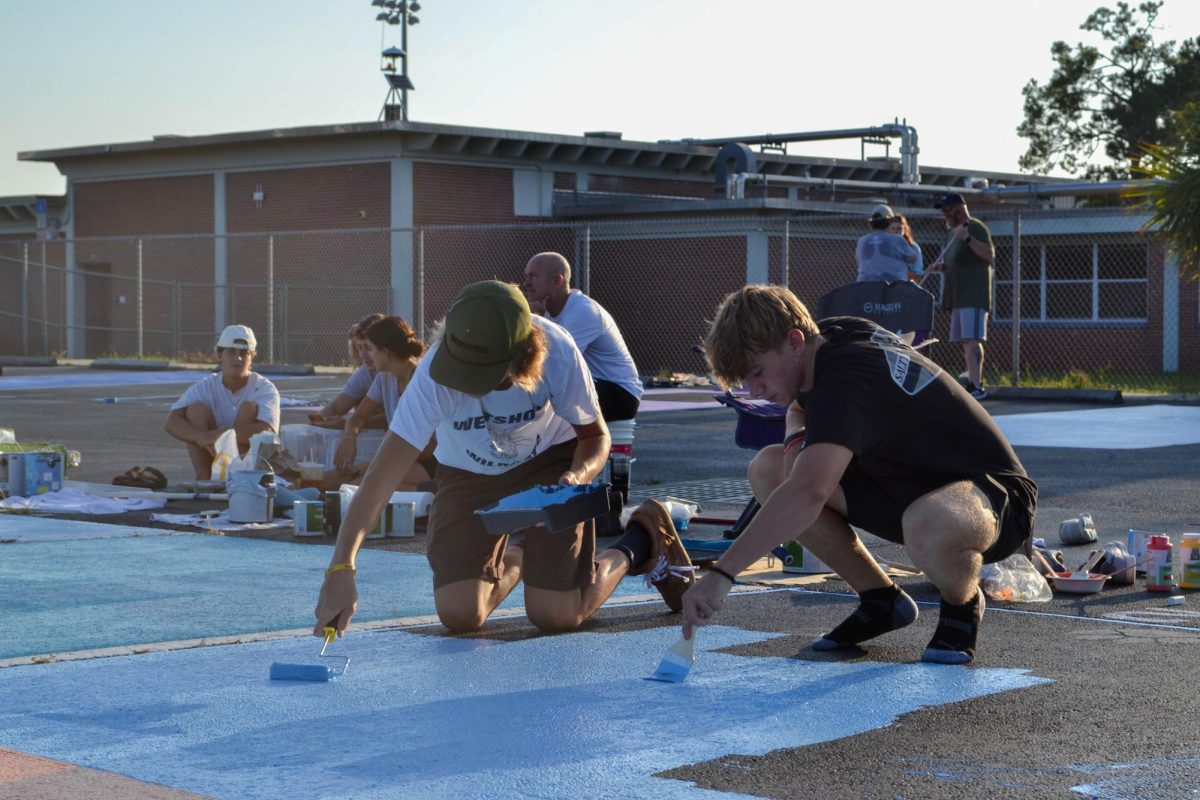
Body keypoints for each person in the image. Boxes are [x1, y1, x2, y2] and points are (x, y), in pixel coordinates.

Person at [313, 281, 693, 637]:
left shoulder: (558, 352)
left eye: (488, 376)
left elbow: (596, 437)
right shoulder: (432, 376)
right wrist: (341, 567)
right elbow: (381, 477)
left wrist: (578, 476)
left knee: (556, 616)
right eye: (464, 372)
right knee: (460, 615)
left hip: (550, 465)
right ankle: (528, 551)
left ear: (525, 354)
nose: (472, 385)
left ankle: (641, 539)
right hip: (467, 472)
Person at [681, 285, 1037, 664]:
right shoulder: (829, 340)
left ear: (795, 341)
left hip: (995, 498)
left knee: (919, 521)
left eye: (756, 373)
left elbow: (809, 491)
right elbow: (798, 417)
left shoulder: (847, 377)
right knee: (769, 470)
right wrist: (793, 441)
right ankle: (881, 599)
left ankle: (962, 604)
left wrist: (722, 575)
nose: (755, 390)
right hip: (913, 484)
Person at [521, 252, 642, 422]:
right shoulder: (546, 311)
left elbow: (554, 362)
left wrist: (537, 320)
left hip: (620, 395)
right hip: (596, 386)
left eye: (533, 277)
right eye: (526, 276)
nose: (526, 284)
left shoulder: (583, 312)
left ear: (557, 281)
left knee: (547, 390)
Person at [165, 325, 281, 479]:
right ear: (220, 354)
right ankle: (204, 476)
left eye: (244, 353)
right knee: (195, 410)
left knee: (248, 408)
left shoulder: (265, 388)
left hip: (248, 464)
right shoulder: (205, 386)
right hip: (210, 453)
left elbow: (267, 431)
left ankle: (236, 476)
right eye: (231, 352)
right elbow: (172, 421)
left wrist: (222, 436)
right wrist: (201, 437)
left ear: (252, 357)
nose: (237, 358)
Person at [330, 315, 432, 491]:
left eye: (369, 348)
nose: (365, 355)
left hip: (430, 462)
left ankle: (430, 493)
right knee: (331, 481)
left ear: (386, 351)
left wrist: (378, 463)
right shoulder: (383, 377)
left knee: (360, 487)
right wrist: (350, 436)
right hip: (397, 457)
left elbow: (429, 447)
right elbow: (360, 416)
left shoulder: (422, 381)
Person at [927, 193, 995, 401]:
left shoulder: (973, 228)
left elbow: (988, 255)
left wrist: (967, 237)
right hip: (958, 296)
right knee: (966, 341)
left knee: (973, 340)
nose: (945, 214)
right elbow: (960, 262)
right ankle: (971, 380)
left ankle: (977, 385)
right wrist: (942, 267)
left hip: (973, 295)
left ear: (958, 209)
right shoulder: (953, 233)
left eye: (947, 210)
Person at [309, 313, 385, 430]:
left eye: (368, 347)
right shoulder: (368, 373)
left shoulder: (410, 374)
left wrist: (348, 426)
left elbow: (397, 419)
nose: (362, 355)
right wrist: (316, 424)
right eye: (359, 348)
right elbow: (336, 407)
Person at [855, 205, 918, 283]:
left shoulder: (862, 241)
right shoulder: (897, 239)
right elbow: (913, 258)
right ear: (889, 222)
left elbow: (859, 261)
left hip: (865, 284)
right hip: (893, 286)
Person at [888, 214, 925, 282]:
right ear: (889, 230)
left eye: (899, 229)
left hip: (906, 286)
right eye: (893, 229)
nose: (896, 232)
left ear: (904, 230)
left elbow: (918, 274)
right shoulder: (884, 247)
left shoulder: (913, 248)